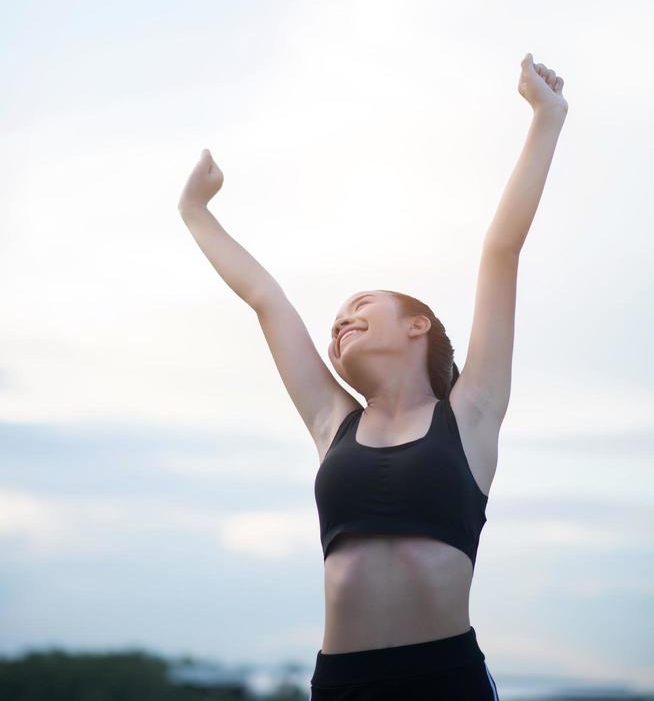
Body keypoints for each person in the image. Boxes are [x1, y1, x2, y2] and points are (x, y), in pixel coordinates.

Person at [177, 53, 568, 700]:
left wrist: (545, 119)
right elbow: (266, 298)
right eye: (333, 324)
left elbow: (501, 250)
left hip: (446, 677)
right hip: (344, 682)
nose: (338, 325)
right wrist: (196, 211)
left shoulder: (470, 414)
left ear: (418, 326)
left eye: (359, 307)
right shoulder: (334, 422)